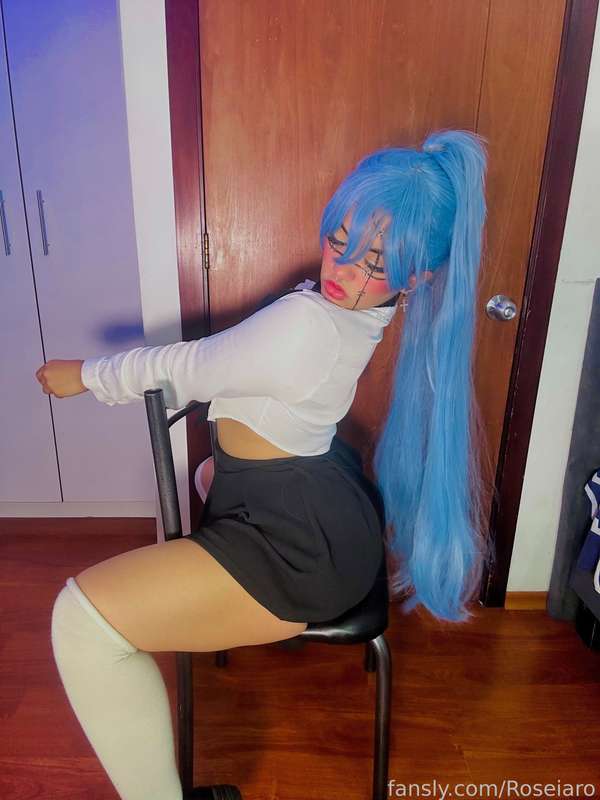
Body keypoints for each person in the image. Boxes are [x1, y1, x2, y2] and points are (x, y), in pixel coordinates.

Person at [39, 128, 493, 800]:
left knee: (81, 622)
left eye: (374, 263)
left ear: (419, 275)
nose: (342, 270)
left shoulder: (307, 324)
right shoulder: (362, 314)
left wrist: (85, 375)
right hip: (319, 507)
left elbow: (183, 367)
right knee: (208, 476)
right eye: (339, 240)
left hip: (297, 547)